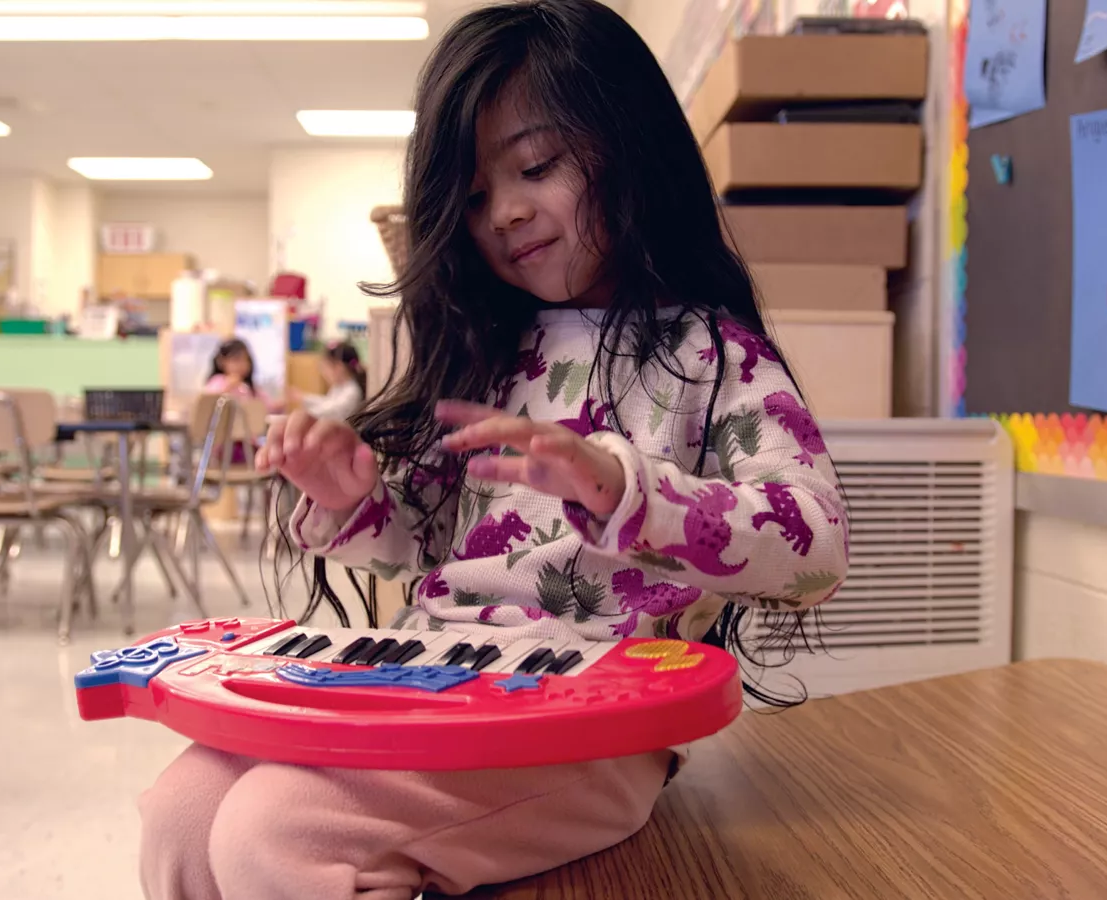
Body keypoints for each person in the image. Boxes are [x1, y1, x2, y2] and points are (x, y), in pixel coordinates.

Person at [136, 3, 849, 899]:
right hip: (443, 679)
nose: (504, 213)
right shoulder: (493, 345)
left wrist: (625, 490)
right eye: (473, 197)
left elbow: (815, 546)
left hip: (597, 719)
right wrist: (357, 501)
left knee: (278, 834)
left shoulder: (714, 350)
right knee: (183, 812)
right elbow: (433, 543)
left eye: (536, 166)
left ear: (628, 143)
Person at [289, 341, 366, 421]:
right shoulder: (339, 387)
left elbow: (331, 411)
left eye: (326, 367)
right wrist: (303, 397)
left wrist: (301, 415)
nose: (324, 373)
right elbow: (327, 403)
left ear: (339, 367)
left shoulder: (352, 391)